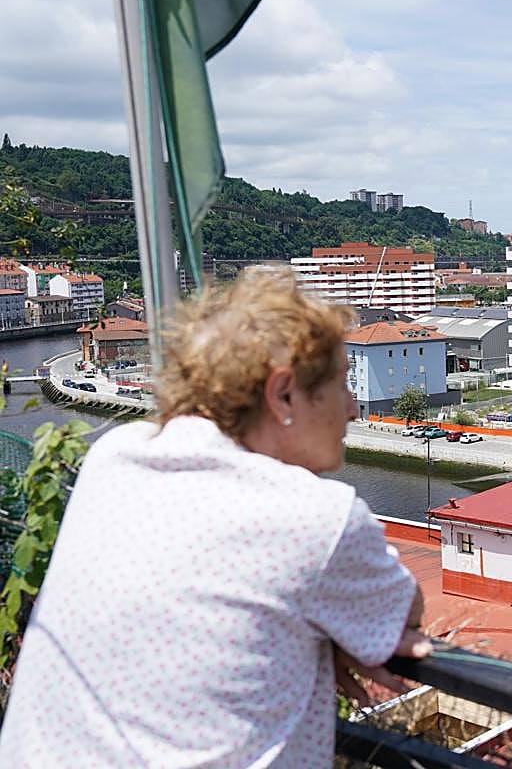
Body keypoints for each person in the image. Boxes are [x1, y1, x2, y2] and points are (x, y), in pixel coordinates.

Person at [1, 269, 428, 766]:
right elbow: (405, 610)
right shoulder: (316, 517)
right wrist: (330, 626)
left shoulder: (116, 455)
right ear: (284, 394)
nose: (353, 408)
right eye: (341, 386)